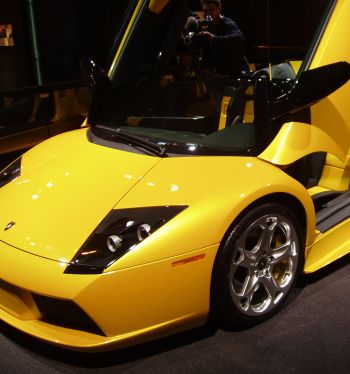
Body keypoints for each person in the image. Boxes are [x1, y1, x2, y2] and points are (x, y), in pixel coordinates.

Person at [196, 0, 249, 76]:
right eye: (205, 11)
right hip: (220, 74)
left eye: (211, 10)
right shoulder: (208, 27)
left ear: (219, 8)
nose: (208, 14)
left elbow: (239, 38)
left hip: (236, 73)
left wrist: (214, 38)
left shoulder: (227, 23)